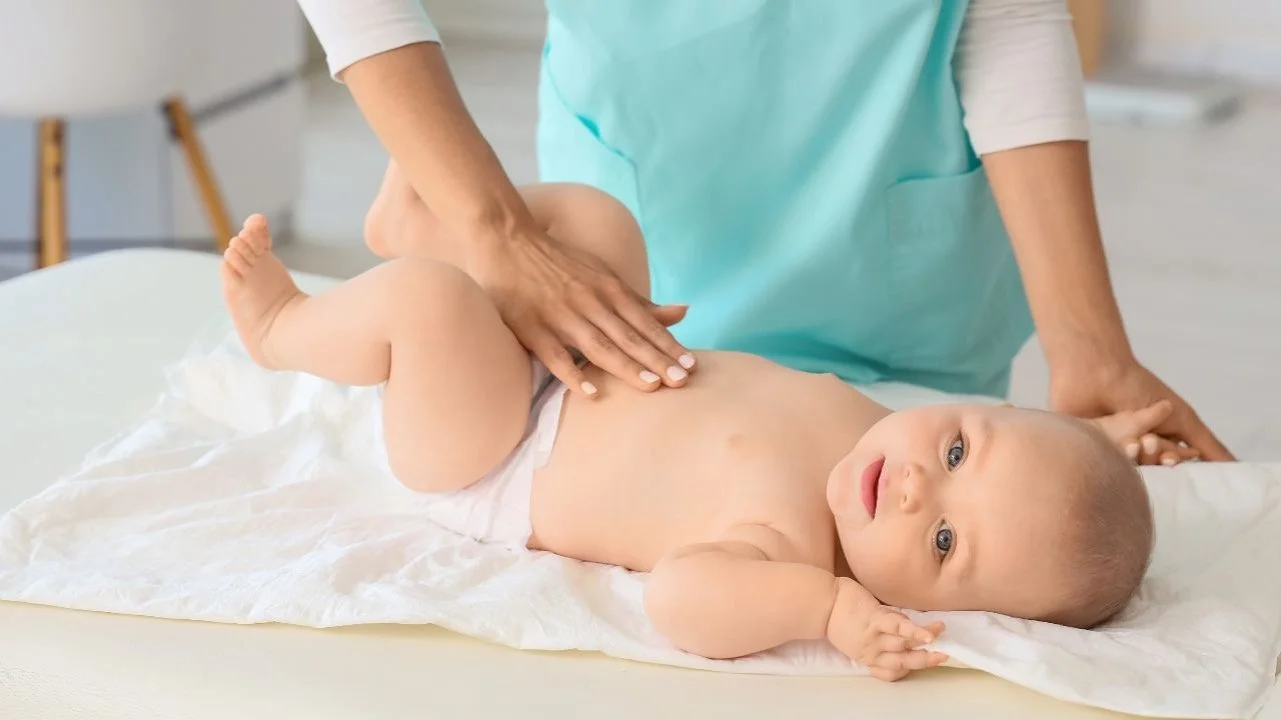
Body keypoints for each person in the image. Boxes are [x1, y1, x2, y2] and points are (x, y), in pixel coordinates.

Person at [218, 183, 1165, 681]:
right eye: (958, 452)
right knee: (595, 221)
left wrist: (826, 614)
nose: (919, 485)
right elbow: (1031, 471)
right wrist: (1095, 445)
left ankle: (283, 329)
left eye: (945, 541)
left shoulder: (793, 551)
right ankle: (417, 219)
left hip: (497, 453)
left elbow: (679, 600)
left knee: (431, 308)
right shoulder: (888, 431)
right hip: (581, 350)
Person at [294, 0, 1233, 465]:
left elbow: (1006, 11)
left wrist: (1089, 350)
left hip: (898, 273)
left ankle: (427, 228)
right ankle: (423, 233)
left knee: (925, 481)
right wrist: (491, 227)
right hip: (636, 265)